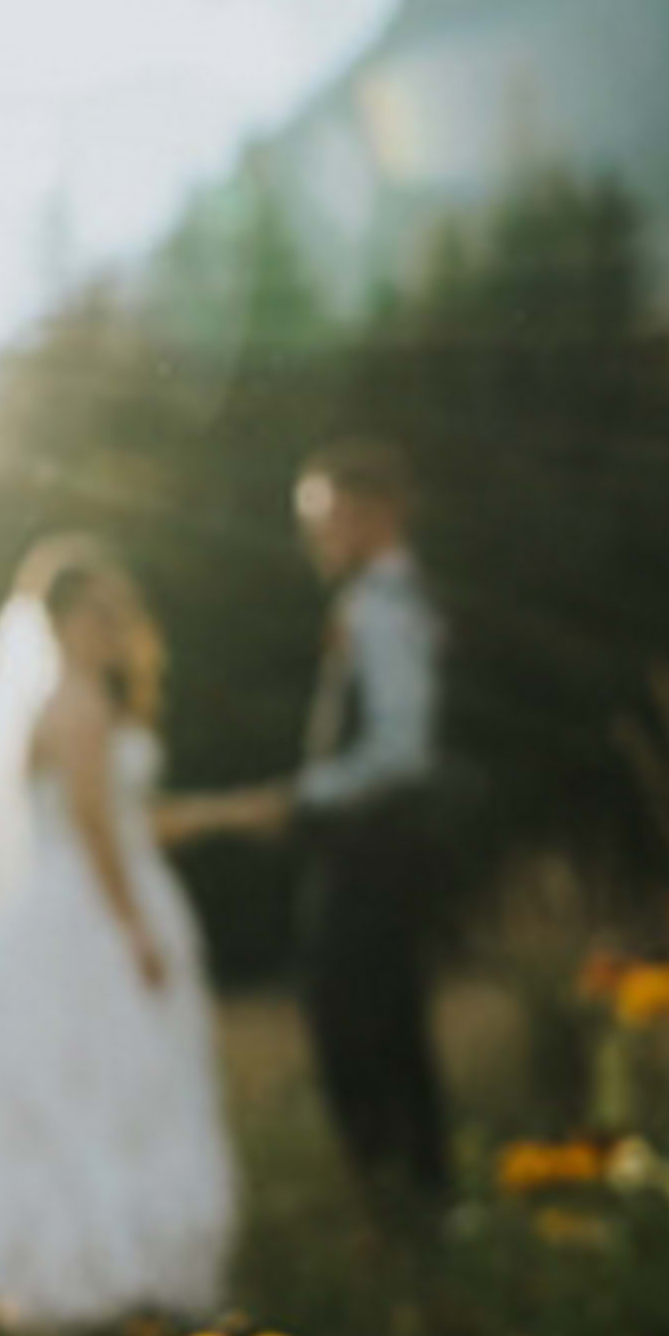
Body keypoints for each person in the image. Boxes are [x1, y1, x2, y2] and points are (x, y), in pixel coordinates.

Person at [0, 535, 237, 1326]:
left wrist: (229, 812)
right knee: (106, 1086)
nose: (114, 625)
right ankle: (110, 1275)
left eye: (118, 610)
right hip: (91, 913)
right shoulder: (79, 706)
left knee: (104, 1087)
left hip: (80, 904)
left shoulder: (74, 704)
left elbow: (121, 821)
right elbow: (96, 829)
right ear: (54, 624)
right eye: (97, 612)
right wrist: (134, 932)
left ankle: (105, 1274)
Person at [190, 440, 452, 1205]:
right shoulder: (384, 600)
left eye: (325, 518)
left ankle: (399, 1198)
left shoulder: (383, 608)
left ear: (377, 513)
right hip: (373, 843)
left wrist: (302, 798)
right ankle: (418, 1197)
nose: (315, 538)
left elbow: (400, 750)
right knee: (389, 1021)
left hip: (373, 848)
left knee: (352, 1022)